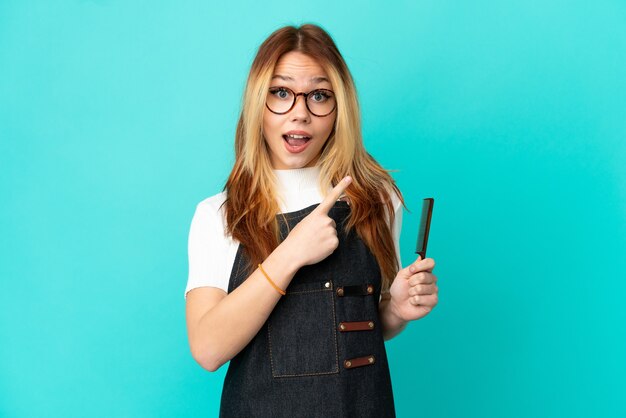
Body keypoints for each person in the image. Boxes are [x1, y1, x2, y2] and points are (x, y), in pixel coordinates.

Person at [185, 24, 439, 417]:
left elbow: (360, 329)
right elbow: (207, 348)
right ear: (258, 103)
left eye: (319, 96)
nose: (300, 113)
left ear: (340, 108)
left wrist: (396, 311)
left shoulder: (378, 201)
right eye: (281, 93)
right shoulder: (219, 214)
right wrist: (291, 255)